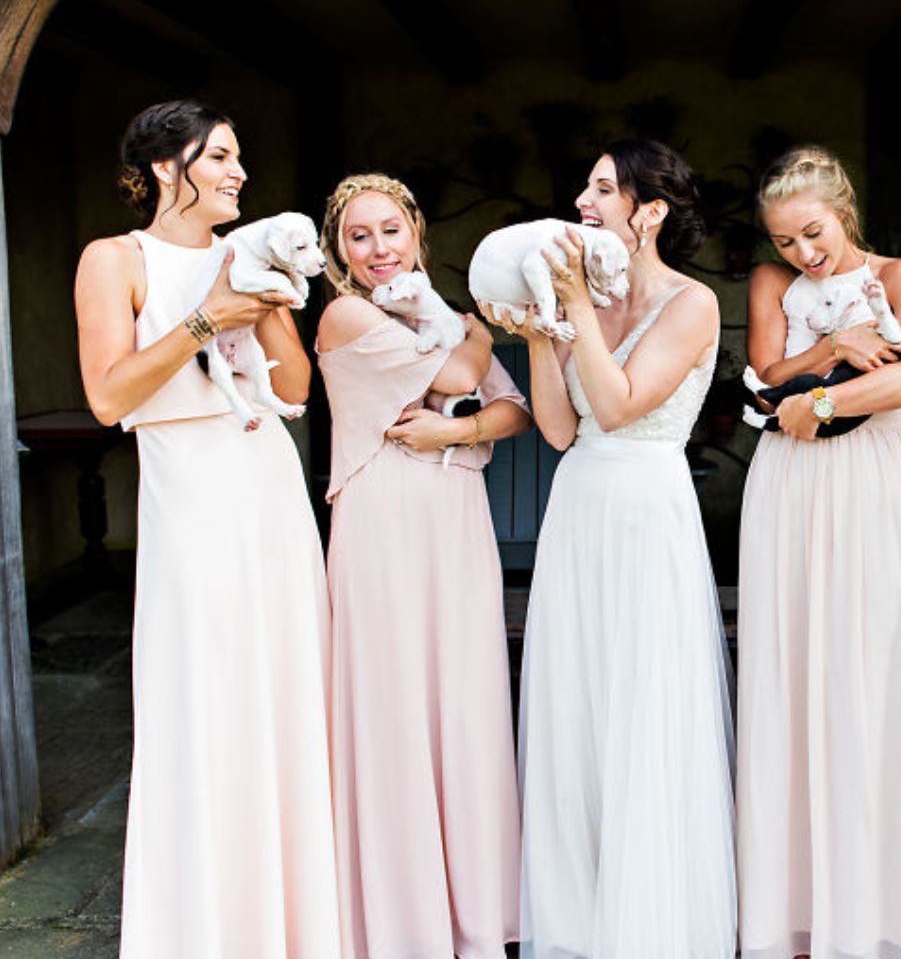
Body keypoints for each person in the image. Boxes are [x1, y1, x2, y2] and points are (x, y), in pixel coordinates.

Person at [74, 99, 339, 957]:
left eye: (238, 158)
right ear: (163, 168)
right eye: (220, 157)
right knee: (202, 698)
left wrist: (260, 305)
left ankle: (290, 927)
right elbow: (110, 396)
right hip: (189, 493)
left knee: (283, 698)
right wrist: (203, 318)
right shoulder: (115, 260)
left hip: (266, 482)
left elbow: (295, 392)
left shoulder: (246, 257)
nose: (239, 173)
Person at [493, 140, 737, 959]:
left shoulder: (692, 304)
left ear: (652, 211)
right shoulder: (579, 294)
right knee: (574, 710)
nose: (585, 200)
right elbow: (562, 430)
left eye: (604, 188)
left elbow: (623, 403)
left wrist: (576, 312)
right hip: (580, 511)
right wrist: (539, 330)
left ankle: (648, 927)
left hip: (647, 513)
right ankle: (572, 923)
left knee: (644, 710)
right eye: (586, 185)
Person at [736, 146, 901, 959]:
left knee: (868, 672)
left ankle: (869, 908)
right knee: (788, 675)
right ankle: (789, 910)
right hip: (788, 486)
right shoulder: (768, 286)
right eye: (786, 242)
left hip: (869, 486)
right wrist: (835, 348)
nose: (802, 254)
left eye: (813, 233)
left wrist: (820, 399)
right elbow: (762, 378)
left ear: (843, 210)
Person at [317, 173, 530, 959]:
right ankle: (401, 917)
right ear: (340, 251)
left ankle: (473, 908)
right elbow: (465, 379)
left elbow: (513, 412)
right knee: (395, 702)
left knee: (463, 699)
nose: (378, 249)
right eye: (358, 236)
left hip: (453, 522)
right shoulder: (346, 315)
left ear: (415, 233)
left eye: (389, 231)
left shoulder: (439, 315)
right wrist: (473, 339)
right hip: (384, 524)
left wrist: (452, 434)